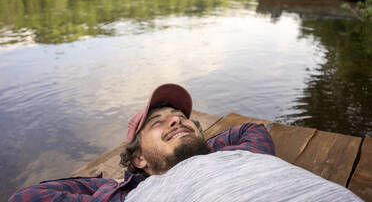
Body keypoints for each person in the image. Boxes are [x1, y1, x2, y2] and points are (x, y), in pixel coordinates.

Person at [9, 84, 362, 202]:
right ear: (139, 159)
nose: (175, 119)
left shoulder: (245, 152)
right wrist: (108, 186)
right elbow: (25, 198)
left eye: (179, 116)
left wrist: (203, 148)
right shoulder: (132, 194)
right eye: (157, 122)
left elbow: (252, 129)